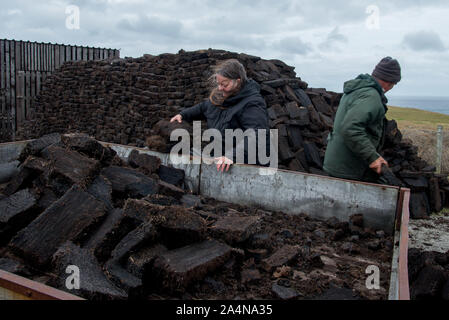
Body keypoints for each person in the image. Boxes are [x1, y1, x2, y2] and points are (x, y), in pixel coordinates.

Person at [170, 59, 270, 172]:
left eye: (224, 84)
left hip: (247, 165)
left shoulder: (253, 103)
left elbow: (257, 134)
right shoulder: (222, 96)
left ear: (238, 81)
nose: (220, 88)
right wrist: (182, 115)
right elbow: (203, 107)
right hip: (220, 158)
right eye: (219, 84)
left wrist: (232, 155)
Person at [323, 56, 401, 183]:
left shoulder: (356, 90)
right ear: (389, 82)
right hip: (350, 169)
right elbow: (350, 128)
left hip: (339, 163)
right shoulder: (371, 97)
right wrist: (373, 157)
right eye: (394, 84)